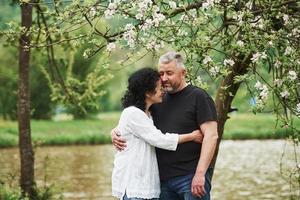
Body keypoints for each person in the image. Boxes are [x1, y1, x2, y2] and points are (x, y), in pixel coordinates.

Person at [112, 52, 218, 200]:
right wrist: (116, 131)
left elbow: (211, 136)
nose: (164, 78)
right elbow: (138, 123)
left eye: (169, 73)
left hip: (189, 177)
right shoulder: (158, 99)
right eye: (161, 73)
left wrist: (200, 174)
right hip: (160, 182)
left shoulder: (199, 97)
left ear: (183, 73)